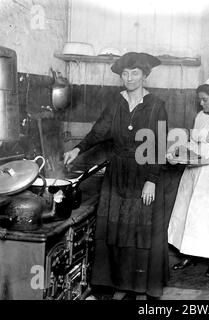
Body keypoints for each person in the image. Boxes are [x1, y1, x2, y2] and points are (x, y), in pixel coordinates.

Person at [63, 52, 169, 299]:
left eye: (134, 73)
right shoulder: (116, 102)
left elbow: (160, 145)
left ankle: (135, 286)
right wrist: (77, 149)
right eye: (125, 73)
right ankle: (108, 284)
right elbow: (98, 131)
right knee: (113, 225)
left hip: (144, 173)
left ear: (145, 76)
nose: (129, 78)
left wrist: (152, 180)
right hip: (118, 171)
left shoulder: (156, 105)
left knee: (137, 228)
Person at [167, 75, 209, 277]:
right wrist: (178, 150)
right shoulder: (201, 116)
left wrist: (190, 160)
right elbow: (193, 142)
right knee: (191, 214)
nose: (201, 103)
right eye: (200, 99)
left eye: (205, 99)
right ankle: (188, 253)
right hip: (195, 173)